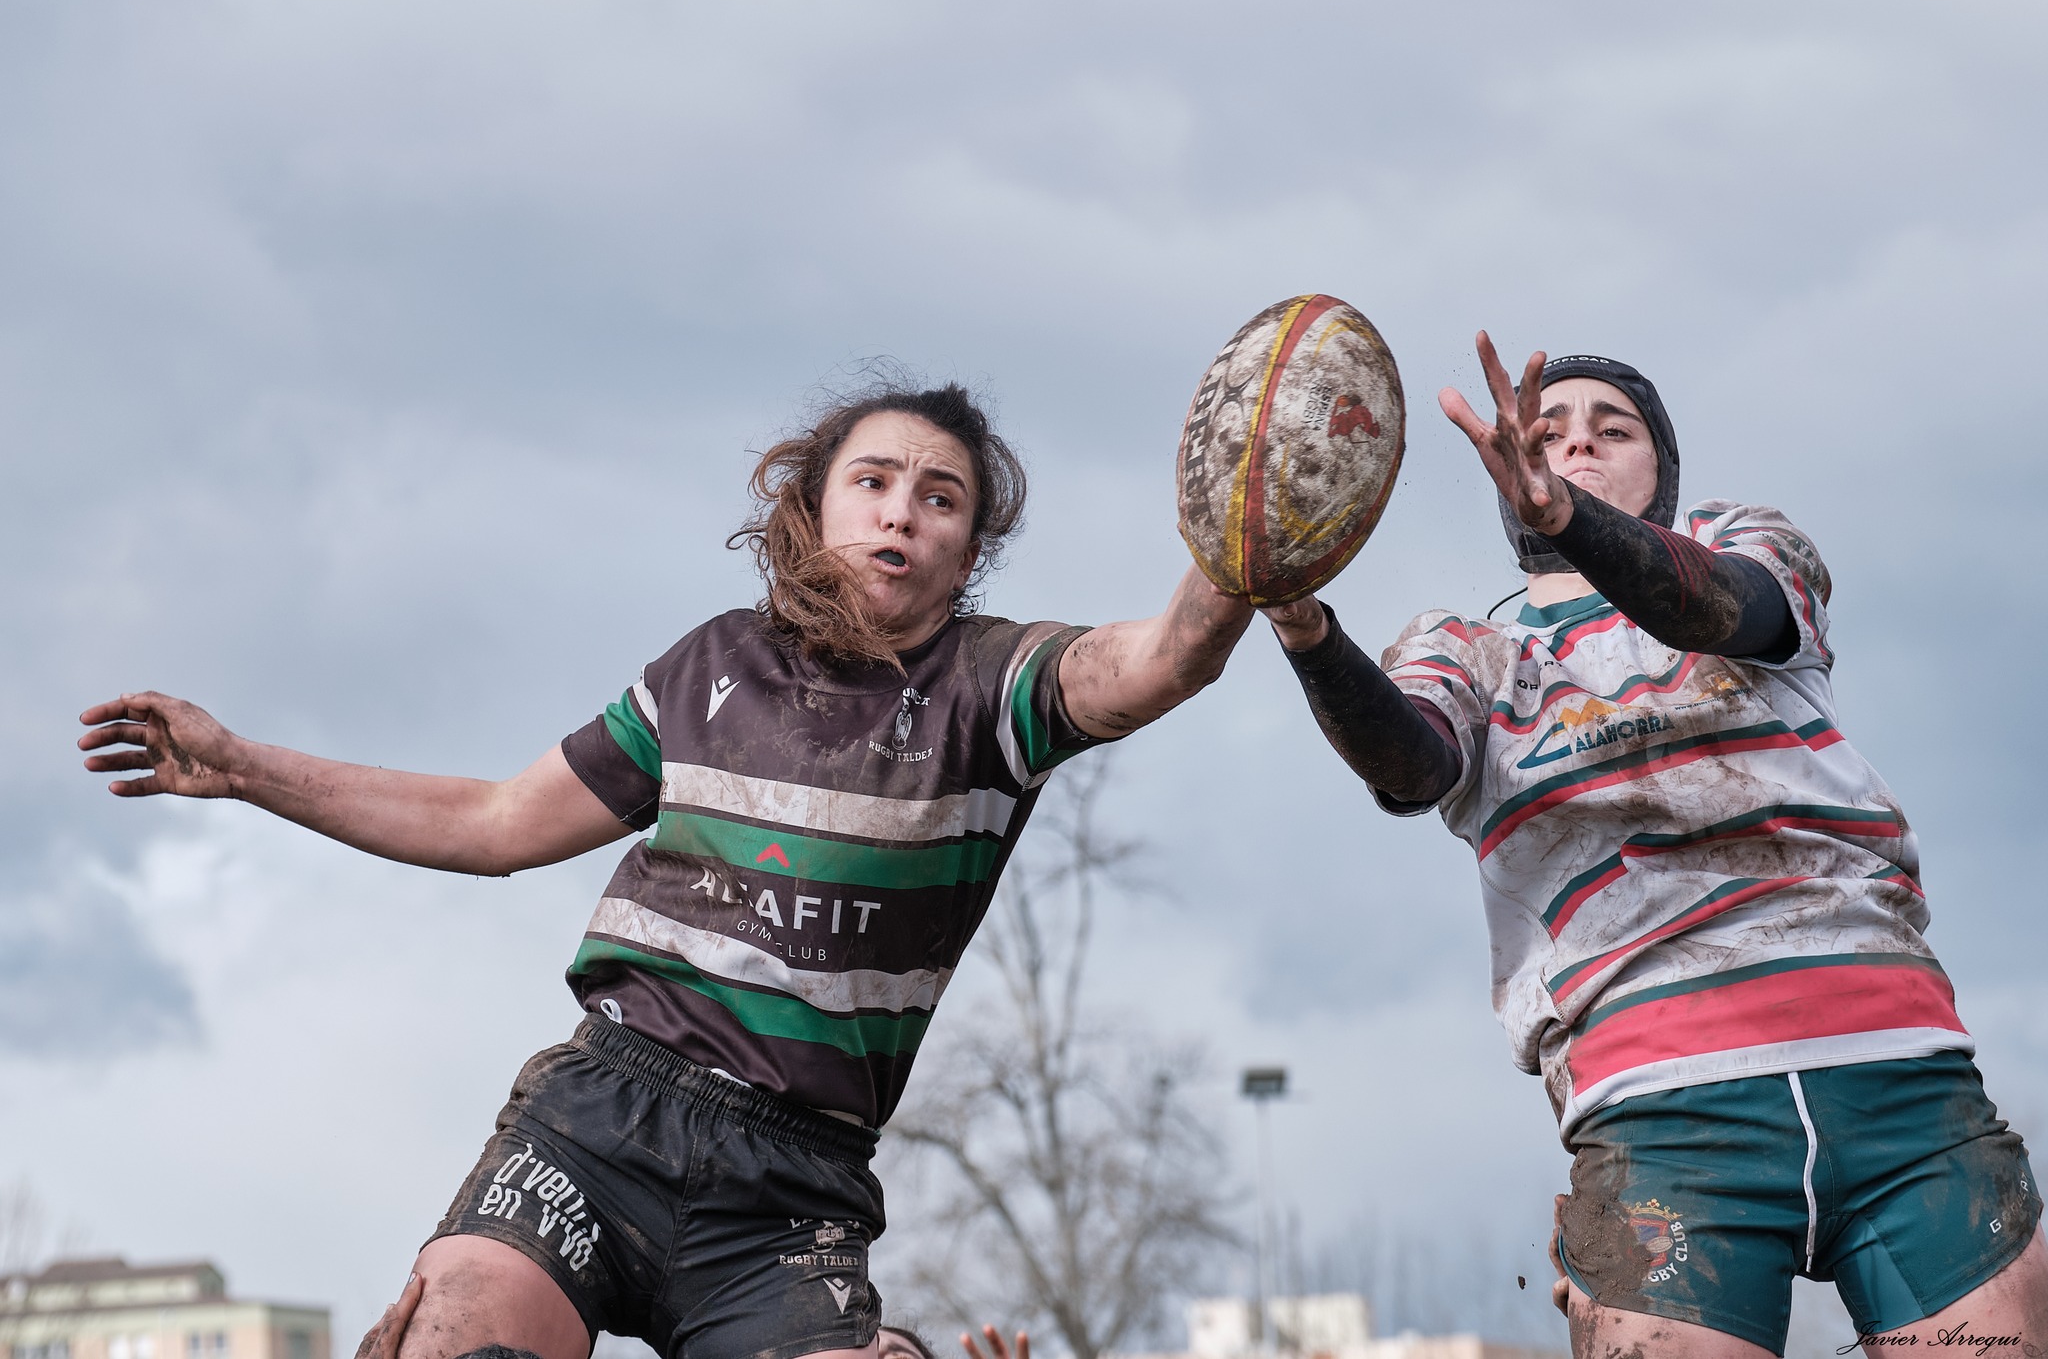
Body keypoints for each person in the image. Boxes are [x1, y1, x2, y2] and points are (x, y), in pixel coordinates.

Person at [78, 383, 1253, 1359]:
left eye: (938, 498)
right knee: (447, 1346)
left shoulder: (994, 689)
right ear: (814, 506)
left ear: (970, 549)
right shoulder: (709, 670)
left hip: (788, 1199)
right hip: (599, 1122)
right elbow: (492, 821)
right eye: (874, 482)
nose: (902, 512)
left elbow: (1155, 661)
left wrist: (1248, 541)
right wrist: (241, 765)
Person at [1260, 334, 2048, 1357]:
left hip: (1897, 1080)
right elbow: (1405, 768)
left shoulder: (1748, 544)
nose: (1575, 445)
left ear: (1660, 473)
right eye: (1547, 431)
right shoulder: (1468, 651)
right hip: (1661, 1121)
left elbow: (1722, 601)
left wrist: (1565, 516)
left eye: (1610, 429)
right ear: (1501, 471)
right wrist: (1304, 629)